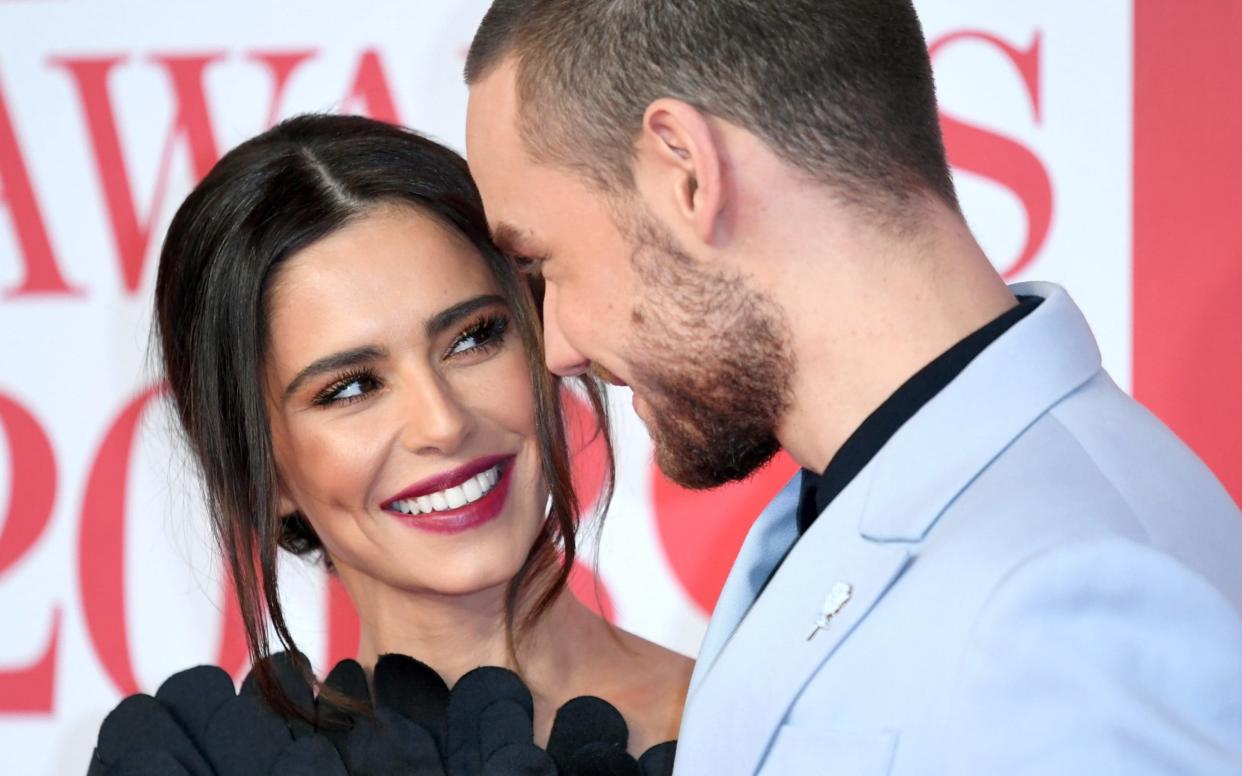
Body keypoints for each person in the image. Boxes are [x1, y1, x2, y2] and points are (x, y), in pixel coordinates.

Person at [462, 1, 1242, 773]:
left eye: (543, 264)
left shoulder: (1065, 604)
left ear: (687, 171)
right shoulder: (870, 500)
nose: (558, 346)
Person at [89, 113, 690, 774]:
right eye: (350, 389)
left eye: (472, 338)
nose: (442, 422)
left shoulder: (762, 721)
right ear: (264, 472)